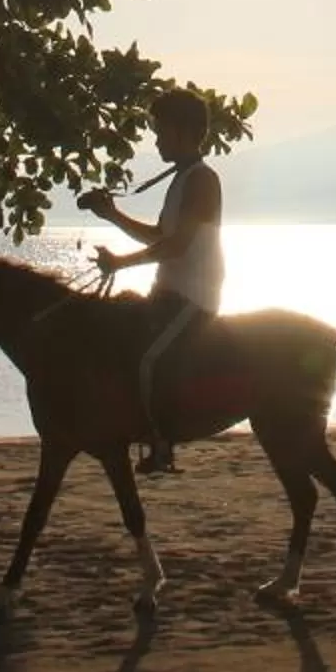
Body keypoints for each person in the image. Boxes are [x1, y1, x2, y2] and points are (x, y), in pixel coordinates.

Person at [78, 89, 224, 473]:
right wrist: (112, 215)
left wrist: (120, 263)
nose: (156, 139)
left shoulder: (201, 180)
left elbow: (176, 246)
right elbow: (160, 235)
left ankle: (163, 441)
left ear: (182, 131)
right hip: (169, 291)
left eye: (161, 131)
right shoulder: (182, 179)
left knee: (149, 357)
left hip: (194, 296)